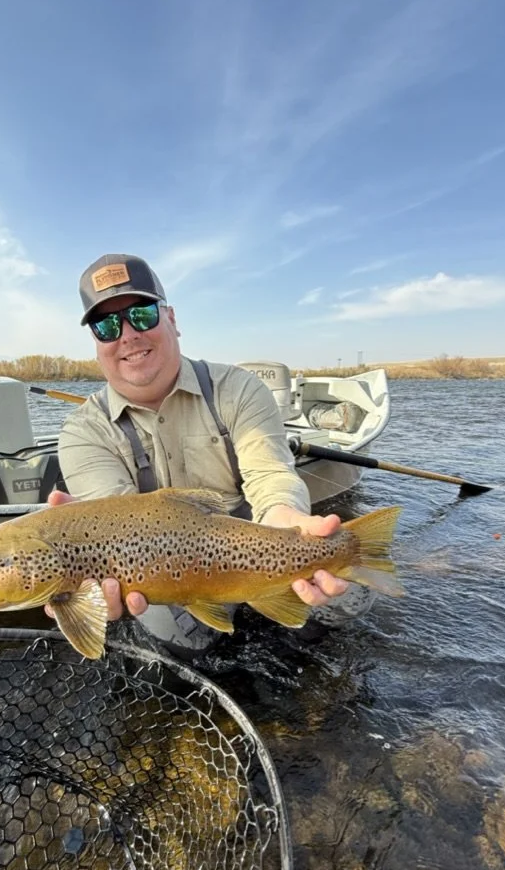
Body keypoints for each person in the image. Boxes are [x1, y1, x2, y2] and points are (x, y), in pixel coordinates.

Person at [49, 253, 348, 654]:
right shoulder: (83, 432)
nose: (127, 335)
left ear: (171, 319)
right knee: (161, 626)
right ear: (97, 343)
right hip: (167, 573)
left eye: (141, 315)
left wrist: (285, 519)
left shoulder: (237, 389)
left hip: (256, 547)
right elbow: (115, 528)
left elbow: (269, 475)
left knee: (344, 596)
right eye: (106, 326)